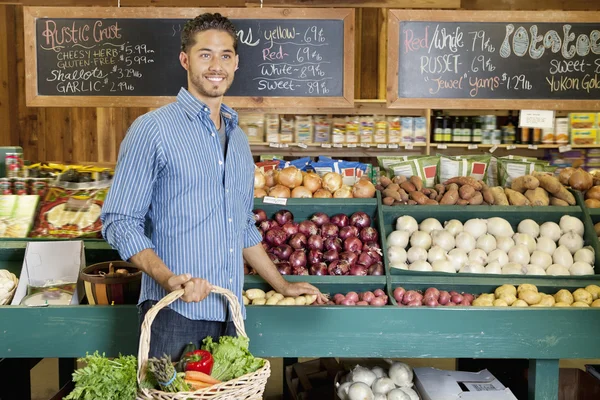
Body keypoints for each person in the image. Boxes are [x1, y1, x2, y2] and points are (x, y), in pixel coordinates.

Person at [101, 12, 326, 360]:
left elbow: (241, 226)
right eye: (205, 54)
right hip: (174, 311)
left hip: (229, 311)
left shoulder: (237, 139)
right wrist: (166, 277)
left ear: (236, 62)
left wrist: (281, 285)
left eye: (225, 55)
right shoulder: (153, 130)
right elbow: (119, 220)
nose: (215, 65)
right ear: (185, 59)